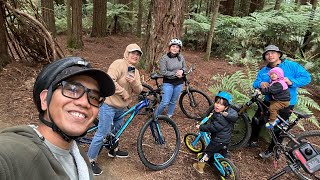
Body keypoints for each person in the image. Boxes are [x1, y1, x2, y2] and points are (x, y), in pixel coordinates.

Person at [0, 57, 115, 179]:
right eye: (72, 89)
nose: (84, 103)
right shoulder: (14, 154)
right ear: (45, 99)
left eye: (93, 97)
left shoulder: (79, 157)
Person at [87, 43, 143, 175]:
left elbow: (139, 89)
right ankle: (89, 160)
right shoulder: (118, 64)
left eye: (138, 54)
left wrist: (134, 82)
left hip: (121, 108)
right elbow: (109, 80)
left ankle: (113, 150)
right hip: (109, 105)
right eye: (133, 53)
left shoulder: (135, 71)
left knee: (116, 130)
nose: (135, 56)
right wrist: (123, 91)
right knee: (103, 133)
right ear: (126, 54)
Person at [248, 44, 311, 159]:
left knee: (280, 127)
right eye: (267, 53)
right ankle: (253, 139)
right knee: (257, 120)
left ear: (279, 54)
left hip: (286, 103)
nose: (270, 55)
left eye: (272, 52)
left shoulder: (291, 66)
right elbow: (256, 83)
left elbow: (306, 77)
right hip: (268, 102)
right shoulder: (264, 71)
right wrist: (260, 84)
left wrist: (292, 81)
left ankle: (272, 150)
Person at [193, 91, 238, 174]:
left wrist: (201, 127)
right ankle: (225, 164)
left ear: (225, 107)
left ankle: (199, 166)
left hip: (217, 140)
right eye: (217, 102)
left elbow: (213, 127)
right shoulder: (227, 115)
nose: (217, 105)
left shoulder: (221, 118)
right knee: (223, 152)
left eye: (221, 104)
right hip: (226, 139)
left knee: (207, 152)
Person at [154, 38, 187, 118]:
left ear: (179, 49)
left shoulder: (181, 57)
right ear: (169, 47)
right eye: (173, 46)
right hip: (168, 83)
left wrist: (182, 71)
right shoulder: (164, 58)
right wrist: (175, 74)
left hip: (179, 83)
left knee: (173, 101)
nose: (175, 48)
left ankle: (169, 116)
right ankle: (155, 116)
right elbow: (163, 72)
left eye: (177, 47)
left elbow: (185, 67)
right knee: (165, 102)